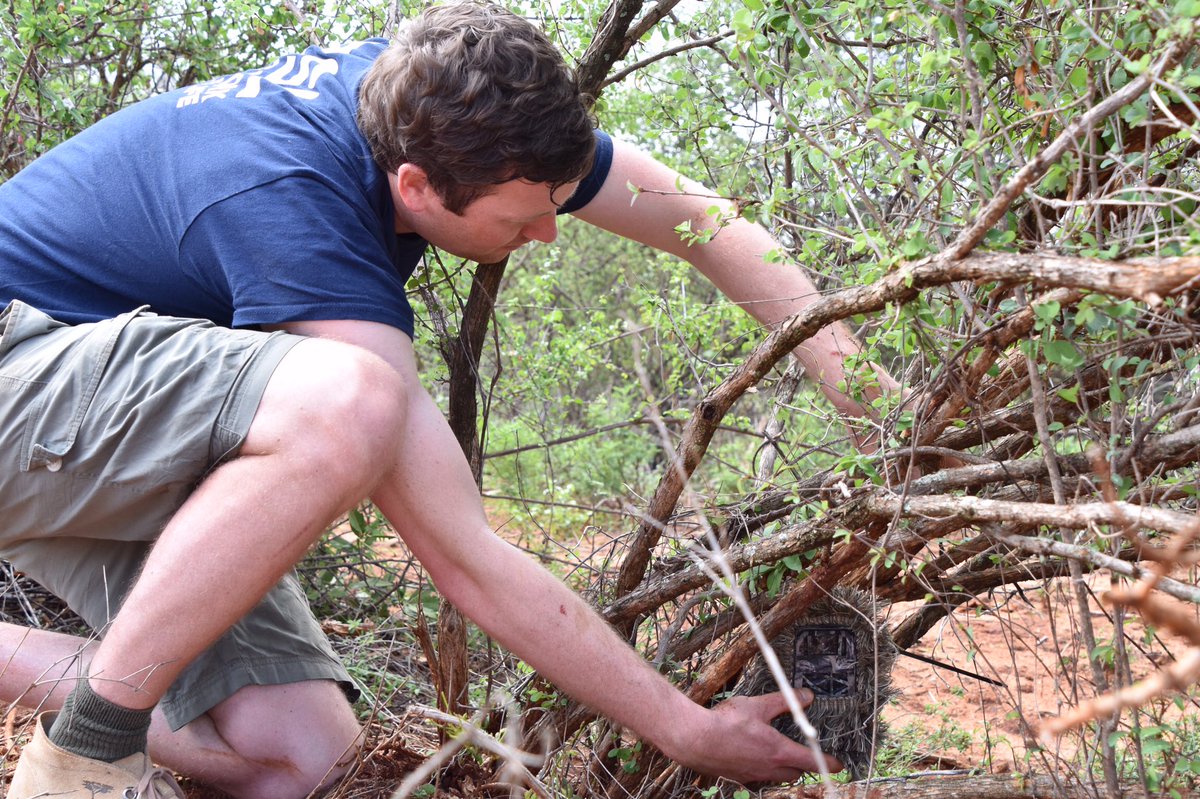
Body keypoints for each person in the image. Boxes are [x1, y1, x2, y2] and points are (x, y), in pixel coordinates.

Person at [0, 3, 897, 797]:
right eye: (521, 217)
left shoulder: (442, 102)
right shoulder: (296, 207)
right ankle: (88, 744)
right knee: (352, 402)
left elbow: (705, 223)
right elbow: (462, 556)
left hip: (98, 423)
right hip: (21, 369)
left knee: (306, 764)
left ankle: (72, 694)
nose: (547, 231)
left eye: (557, 203)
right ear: (417, 189)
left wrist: (867, 399)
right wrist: (684, 728)